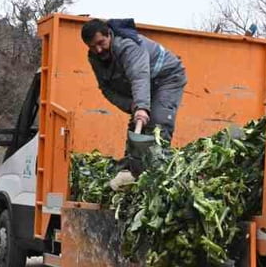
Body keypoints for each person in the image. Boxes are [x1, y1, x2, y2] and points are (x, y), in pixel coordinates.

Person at [80, 18, 188, 188]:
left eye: (101, 43)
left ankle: (157, 177)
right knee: (136, 127)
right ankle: (130, 171)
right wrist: (131, 105)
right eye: (93, 46)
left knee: (157, 124)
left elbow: (139, 77)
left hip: (166, 78)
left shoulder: (128, 46)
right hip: (145, 86)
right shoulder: (95, 58)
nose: (98, 49)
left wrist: (142, 107)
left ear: (109, 34)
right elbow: (106, 89)